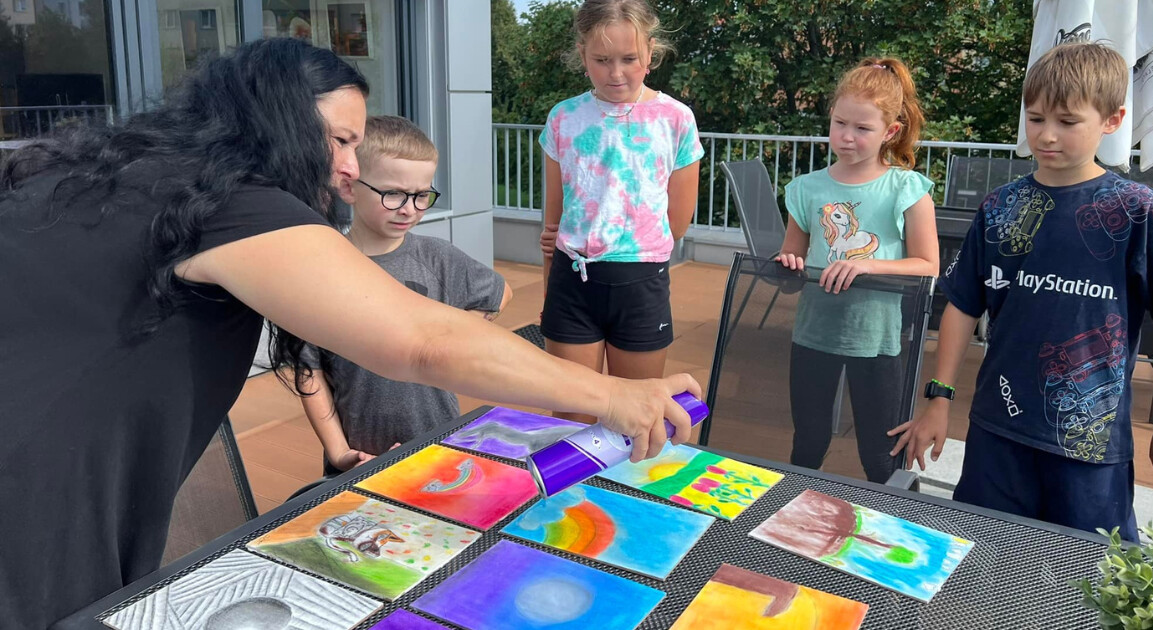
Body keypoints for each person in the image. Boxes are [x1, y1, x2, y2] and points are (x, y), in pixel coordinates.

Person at [0, 38, 699, 629]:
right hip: (33, 505)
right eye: (339, 140)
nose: (350, 169)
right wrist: (615, 396)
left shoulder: (120, 181)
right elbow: (421, 339)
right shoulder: (231, 204)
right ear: (271, 121)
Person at [890, 42, 1153, 540]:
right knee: (981, 554)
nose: (1047, 134)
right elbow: (962, 306)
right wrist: (939, 398)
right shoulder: (1000, 208)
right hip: (996, 431)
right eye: (1035, 119)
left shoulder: (1137, 211)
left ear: (1113, 120)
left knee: (1087, 570)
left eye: (1067, 121)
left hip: (1090, 448)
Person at [300, 115, 513, 474]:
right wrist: (339, 453)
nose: (409, 209)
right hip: (360, 458)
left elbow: (500, 292)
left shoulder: (437, 258)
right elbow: (309, 372)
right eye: (394, 194)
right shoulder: (322, 271)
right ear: (349, 188)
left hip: (441, 445)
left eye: (421, 195)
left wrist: (450, 335)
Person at [775, 57, 939, 483]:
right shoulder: (805, 188)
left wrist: (865, 265)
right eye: (839, 123)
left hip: (878, 340)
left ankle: (887, 520)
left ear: (890, 132)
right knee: (807, 443)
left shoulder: (906, 188)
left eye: (862, 128)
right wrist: (788, 265)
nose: (847, 137)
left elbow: (928, 265)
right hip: (813, 334)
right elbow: (791, 266)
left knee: (879, 454)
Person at [538, 0, 703, 421]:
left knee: (636, 421)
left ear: (650, 53)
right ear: (582, 56)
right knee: (570, 418)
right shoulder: (563, 118)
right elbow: (554, 224)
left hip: (641, 285)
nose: (616, 73)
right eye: (601, 60)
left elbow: (677, 222)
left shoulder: (676, 119)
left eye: (629, 59)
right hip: (572, 284)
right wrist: (549, 289)